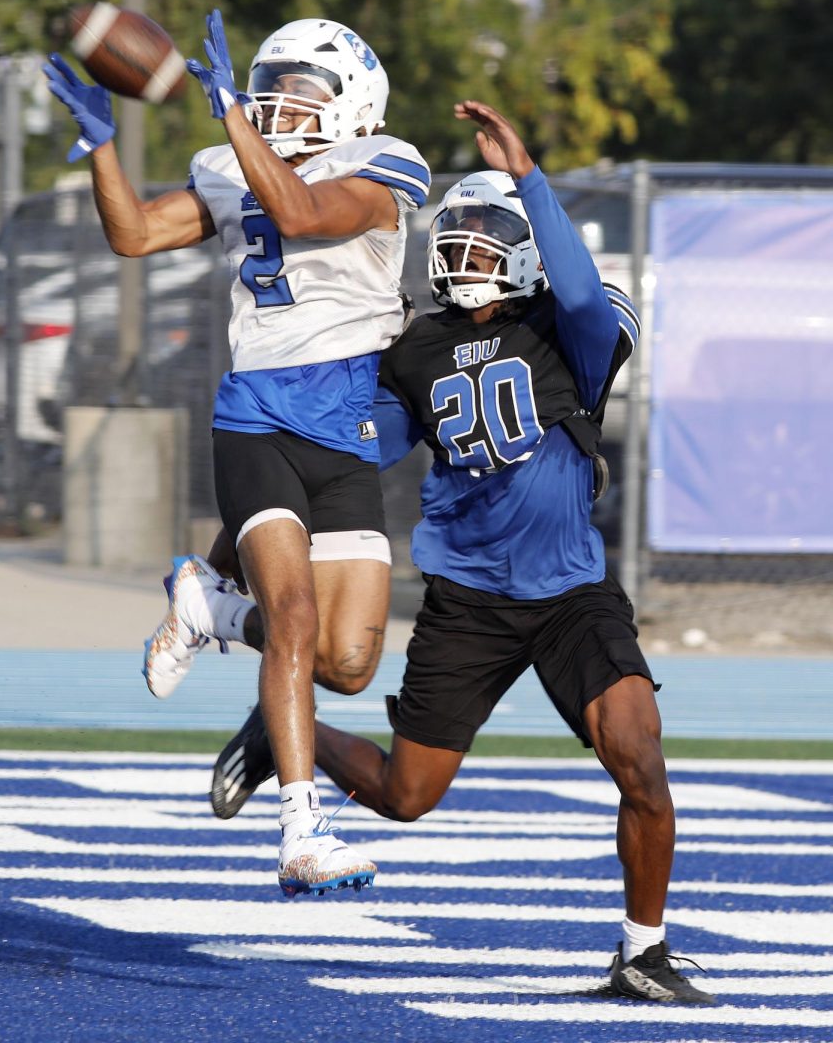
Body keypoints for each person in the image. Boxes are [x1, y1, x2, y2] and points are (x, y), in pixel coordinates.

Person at [211, 99, 715, 1003]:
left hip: (568, 594)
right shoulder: (418, 349)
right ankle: (283, 730)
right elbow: (352, 445)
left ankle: (641, 951)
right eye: (455, 235)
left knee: (638, 755)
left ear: (524, 244)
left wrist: (527, 177)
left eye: (487, 237)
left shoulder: (573, 331)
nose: (463, 252)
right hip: (467, 601)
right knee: (407, 797)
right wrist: (253, 495)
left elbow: (577, 288)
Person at [43, 11, 430, 899]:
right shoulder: (231, 165)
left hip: (344, 427)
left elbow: (300, 210)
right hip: (256, 414)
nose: (280, 101)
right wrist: (104, 147)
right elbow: (134, 235)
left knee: (348, 660)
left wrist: (233, 120)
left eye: (303, 87)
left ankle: (211, 609)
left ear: (355, 103)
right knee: (292, 617)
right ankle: (300, 832)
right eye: (272, 84)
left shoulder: (381, 165)